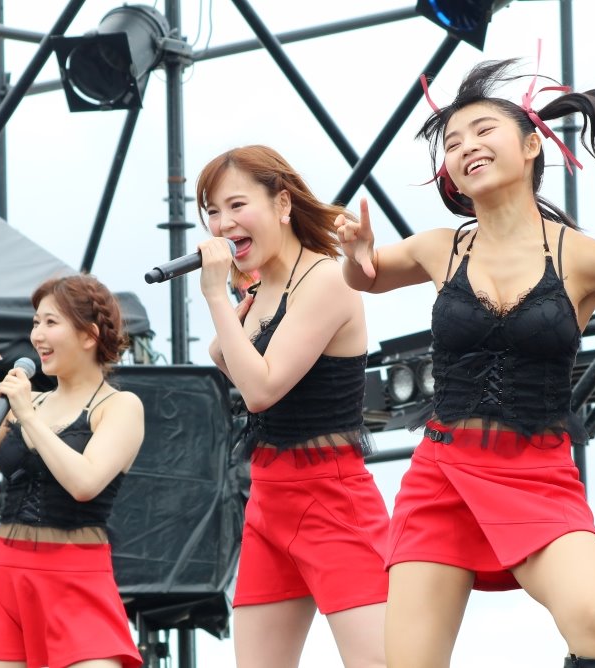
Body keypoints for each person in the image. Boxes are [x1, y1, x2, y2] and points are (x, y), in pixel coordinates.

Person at [336, 57, 595, 668]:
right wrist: (355, 254)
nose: (466, 147)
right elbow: (366, 277)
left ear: (530, 146)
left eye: (482, 132)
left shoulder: (582, 256)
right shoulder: (440, 248)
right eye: (452, 143)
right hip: (442, 474)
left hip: (537, 473)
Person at [194, 145, 388, 668]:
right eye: (212, 211)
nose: (222, 223)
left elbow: (261, 390)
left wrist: (216, 299)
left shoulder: (326, 278)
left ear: (282, 203)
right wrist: (225, 338)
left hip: (331, 498)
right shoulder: (263, 287)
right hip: (269, 499)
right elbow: (241, 370)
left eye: (236, 205)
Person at [0, 273, 145, 668]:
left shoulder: (119, 406)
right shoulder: (28, 404)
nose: (37, 335)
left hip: (77, 579)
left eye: (50, 323)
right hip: (2, 576)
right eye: (36, 322)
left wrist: (27, 415)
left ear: (89, 335)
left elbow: (85, 483)